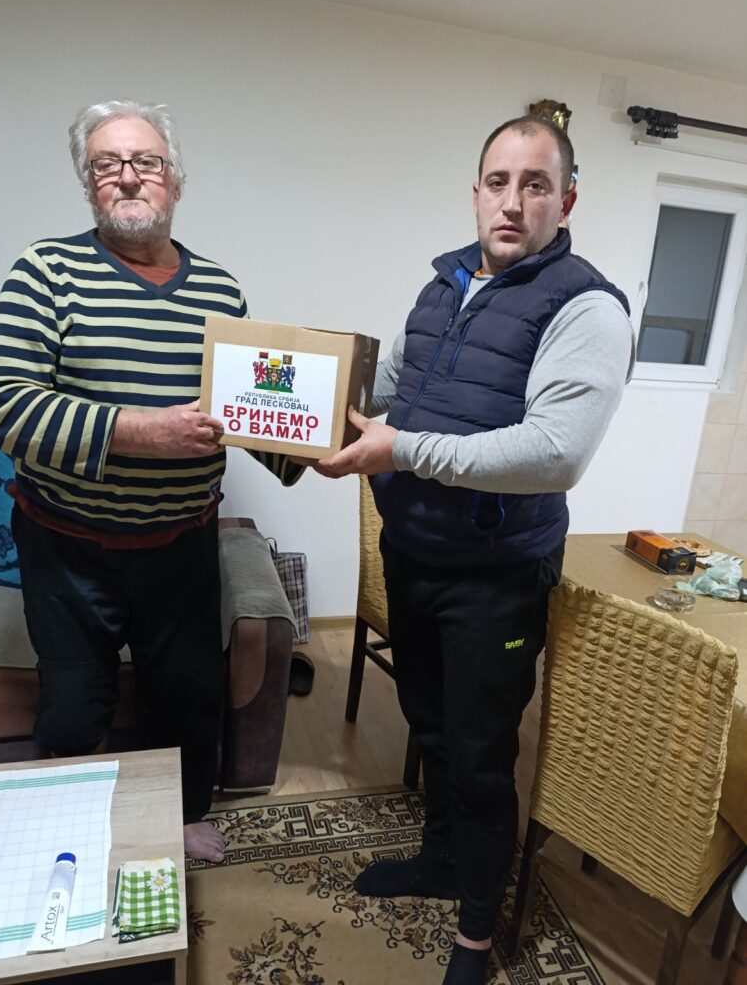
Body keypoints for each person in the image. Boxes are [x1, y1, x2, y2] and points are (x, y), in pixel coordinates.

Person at [318, 116, 635, 984]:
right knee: (431, 727)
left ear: (565, 200)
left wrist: (399, 451)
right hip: (413, 554)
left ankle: (475, 933)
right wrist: (306, 416)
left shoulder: (586, 306)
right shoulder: (442, 285)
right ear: (475, 192)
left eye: (536, 185)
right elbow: (389, 389)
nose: (513, 201)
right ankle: (439, 862)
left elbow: (553, 453)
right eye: (498, 181)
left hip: (494, 578)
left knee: (482, 756)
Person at [0, 99, 299, 863]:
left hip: (182, 546)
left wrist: (309, 442)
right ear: (88, 185)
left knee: (186, 695)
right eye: (106, 165)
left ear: (174, 181)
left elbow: (245, 407)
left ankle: (178, 819)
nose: (126, 176)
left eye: (145, 162)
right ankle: (73, 824)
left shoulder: (220, 291)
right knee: (72, 704)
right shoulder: (46, 270)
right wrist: (138, 431)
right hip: (66, 547)